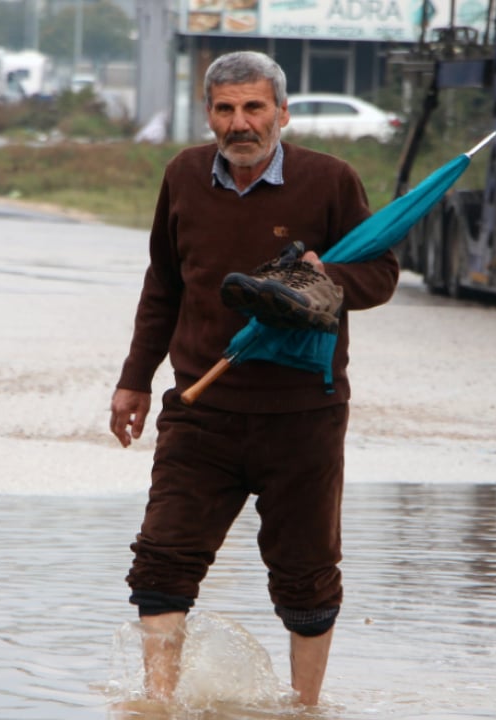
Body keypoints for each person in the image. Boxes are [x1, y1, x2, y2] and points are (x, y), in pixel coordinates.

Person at [108, 50, 400, 706]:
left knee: (306, 578)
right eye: (225, 109)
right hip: (199, 408)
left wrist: (327, 279)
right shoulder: (184, 175)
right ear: (208, 115)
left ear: (282, 113)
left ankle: (304, 708)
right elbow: (163, 283)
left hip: (303, 416)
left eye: (253, 108)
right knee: (161, 563)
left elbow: (381, 273)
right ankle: (157, 704)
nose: (240, 123)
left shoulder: (330, 182)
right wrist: (134, 381)